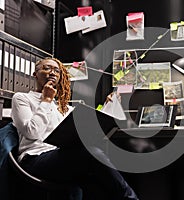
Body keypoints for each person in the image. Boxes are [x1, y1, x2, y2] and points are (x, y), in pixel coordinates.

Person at [11, 57, 139, 200]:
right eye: (46, 68)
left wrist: (109, 106)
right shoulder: (22, 98)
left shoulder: (62, 107)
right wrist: (46, 100)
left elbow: (88, 126)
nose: (52, 73)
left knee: (95, 178)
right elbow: (31, 132)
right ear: (35, 74)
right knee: (93, 154)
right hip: (34, 160)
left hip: (59, 158)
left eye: (56, 70)